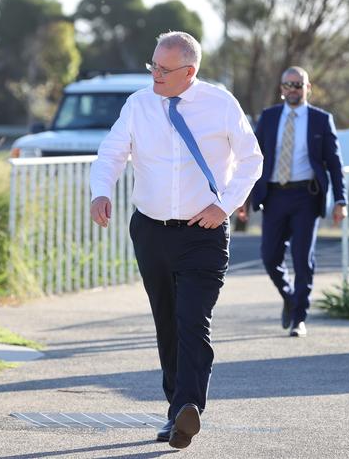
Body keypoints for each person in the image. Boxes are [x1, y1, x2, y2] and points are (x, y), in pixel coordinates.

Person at [90, 31, 263, 449]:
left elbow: (252, 159)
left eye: (164, 69)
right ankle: (176, 412)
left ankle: (188, 408)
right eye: (152, 65)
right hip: (150, 230)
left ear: (190, 72)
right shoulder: (139, 104)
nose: (155, 74)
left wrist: (224, 206)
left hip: (202, 233)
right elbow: (113, 151)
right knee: (167, 324)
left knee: (192, 322)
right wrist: (101, 190)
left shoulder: (220, 104)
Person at [238, 66, 347, 337]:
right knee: (269, 255)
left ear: (308, 88)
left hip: (305, 196)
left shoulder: (321, 120)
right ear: (281, 88)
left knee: (302, 258)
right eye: (288, 85)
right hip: (274, 195)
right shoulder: (269, 117)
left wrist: (340, 200)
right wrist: (242, 197)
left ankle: (299, 317)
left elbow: (334, 163)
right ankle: (289, 296)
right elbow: (253, 159)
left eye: (298, 85)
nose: (293, 89)